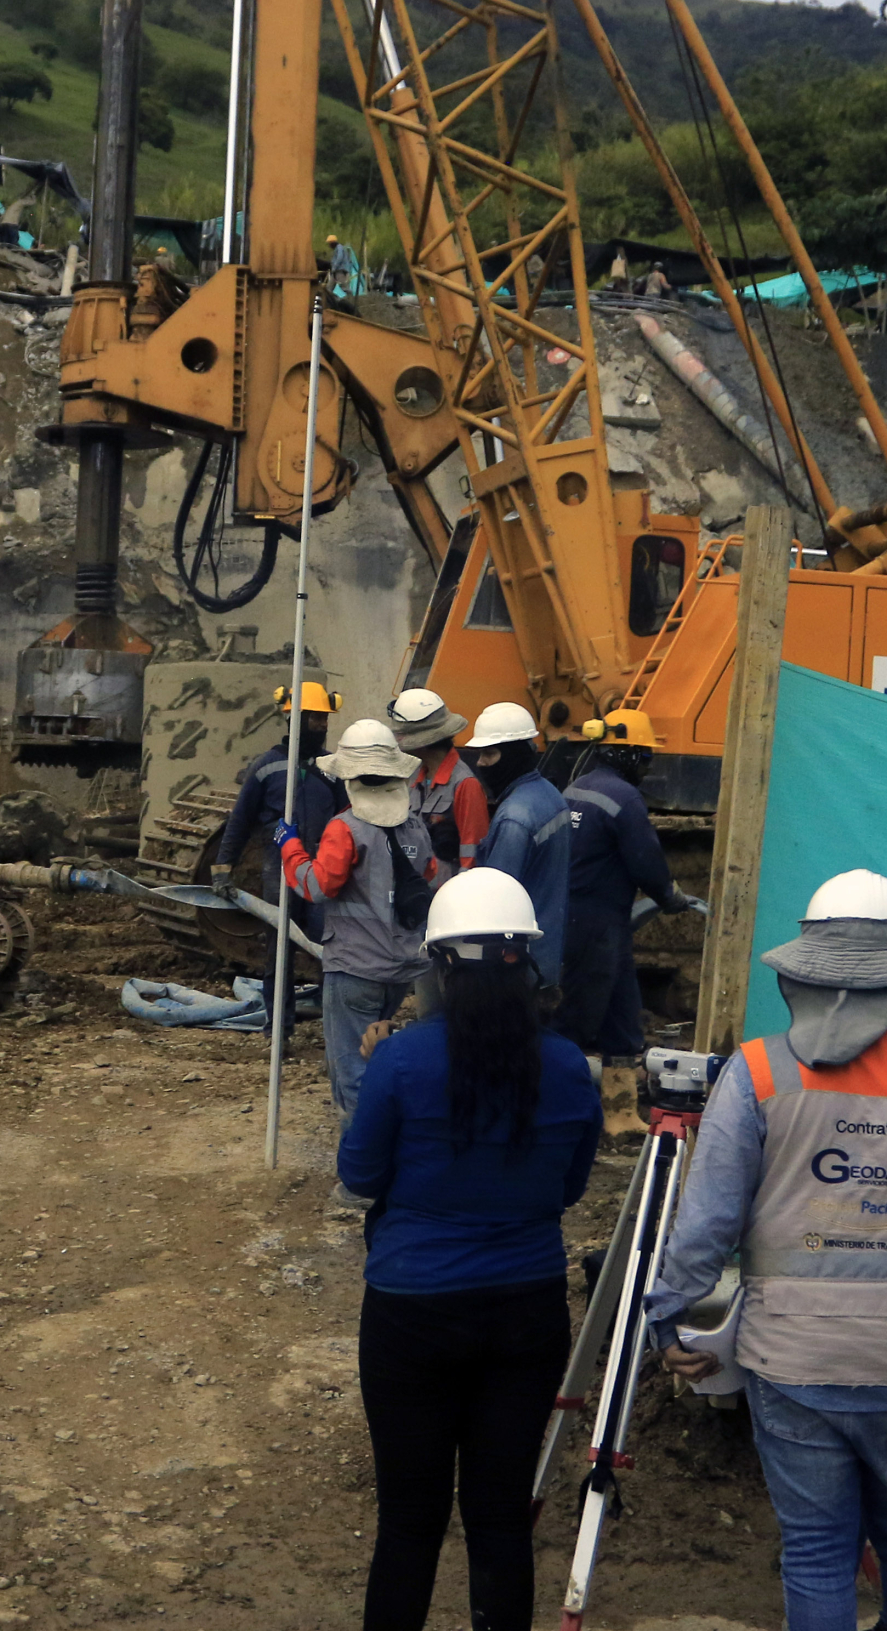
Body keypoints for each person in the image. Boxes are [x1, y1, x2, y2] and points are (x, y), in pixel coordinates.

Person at [650, 869, 887, 1631]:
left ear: (802, 973)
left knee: (819, 1551)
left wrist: (668, 1317)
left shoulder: (756, 1072)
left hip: (791, 1361)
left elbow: (705, 1224)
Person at [338, 869, 600, 1631]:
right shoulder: (567, 1068)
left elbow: (360, 1175)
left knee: (409, 1520)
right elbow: (569, 1188)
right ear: (528, 962)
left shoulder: (402, 1061)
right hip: (525, 1312)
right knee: (498, 1518)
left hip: (411, 1311)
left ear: (440, 964)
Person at [277, 719, 439, 1121]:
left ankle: (363, 1169)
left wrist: (290, 848)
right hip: (401, 968)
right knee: (380, 1060)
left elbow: (317, 886)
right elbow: (430, 874)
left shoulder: (345, 828)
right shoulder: (415, 825)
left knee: (353, 1072)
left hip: (355, 969)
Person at [558, 711, 700, 1053]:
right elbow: (646, 863)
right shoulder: (625, 798)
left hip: (581, 917)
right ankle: (559, 1079)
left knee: (622, 1011)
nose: (647, 766)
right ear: (628, 754)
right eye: (646, 757)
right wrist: (670, 897)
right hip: (596, 923)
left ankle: (623, 1071)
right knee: (577, 1015)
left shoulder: (576, 787)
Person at [213, 681, 345, 940]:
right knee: (279, 942)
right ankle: (276, 982)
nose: (323, 725)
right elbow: (240, 820)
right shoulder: (266, 766)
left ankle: (323, 982)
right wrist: (221, 871)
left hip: (322, 868)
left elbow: (347, 819)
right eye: (317, 717)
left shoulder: (332, 767)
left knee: (324, 943)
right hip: (279, 869)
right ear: (297, 717)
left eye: (325, 718)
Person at [460, 702, 570, 989]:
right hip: (544, 954)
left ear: (514, 756)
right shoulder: (551, 795)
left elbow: (496, 902)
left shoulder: (515, 818)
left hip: (516, 968)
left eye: (489, 753)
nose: (481, 763)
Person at [385, 688, 486, 868]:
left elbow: (473, 856)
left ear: (423, 742)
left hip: (447, 892)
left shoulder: (465, 784)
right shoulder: (415, 776)